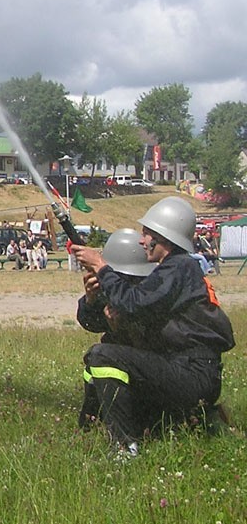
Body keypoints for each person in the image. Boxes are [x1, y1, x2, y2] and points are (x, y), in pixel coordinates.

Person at [73, 196, 235, 457]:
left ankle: (125, 448)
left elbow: (134, 303)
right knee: (104, 354)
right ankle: (90, 430)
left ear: (165, 237)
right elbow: (94, 322)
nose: (142, 240)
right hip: (182, 370)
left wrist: (101, 267)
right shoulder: (172, 271)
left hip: (192, 372)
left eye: (147, 233)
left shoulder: (179, 267)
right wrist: (93, 300)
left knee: (103, 356)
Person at [76, 228, 157, 431]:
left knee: (104, 358)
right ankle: (91, 424)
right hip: (121, 366)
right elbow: (90, 323)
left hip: (151, 377)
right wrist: (90, 300)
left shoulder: (150, 295)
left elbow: (150, 345)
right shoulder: (111, 290)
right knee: (94, 364)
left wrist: (121, 328)